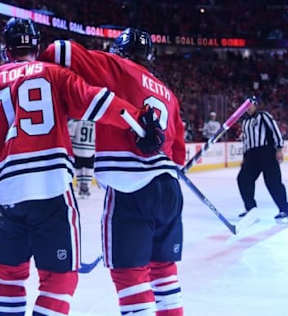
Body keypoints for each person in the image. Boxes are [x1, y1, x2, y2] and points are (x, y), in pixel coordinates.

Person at [0, 18, 162, 316]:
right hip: (50, 187)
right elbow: (96, 101)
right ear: (36, 46)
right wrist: (140, 122)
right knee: (60, 280)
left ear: (5, 49)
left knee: (9, 277)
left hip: (3, 191)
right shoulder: (55, 74)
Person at [40, 28, 186, 315]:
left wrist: (35, 66)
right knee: (164, 272)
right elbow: (179, 154)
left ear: (119, 50)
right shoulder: (167, 92)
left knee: (130, 276)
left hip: (131, 187)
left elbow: (59, 50)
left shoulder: (114, 66)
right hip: (169, 190)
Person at [237, 101, 288, 223]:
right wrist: (244, 157)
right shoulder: (245, 122)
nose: (248, 108)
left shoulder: (263, 115)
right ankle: (251, 209)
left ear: (255, 105)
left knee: (273, 181)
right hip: (251, 155)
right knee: (243, 179)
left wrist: (279, 148)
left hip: (266, 152)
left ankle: (284, 209)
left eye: (249, 105)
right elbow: (246, 141)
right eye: (245, 106)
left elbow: (275, 130)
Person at [68, 119, 96, 198]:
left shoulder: (77, 121)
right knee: (89, 169)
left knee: (79, 168)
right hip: (90, 149)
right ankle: (86, 187)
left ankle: (81, 188)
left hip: (77, 149)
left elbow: (71, 135)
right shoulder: (94, 123)